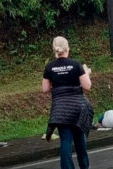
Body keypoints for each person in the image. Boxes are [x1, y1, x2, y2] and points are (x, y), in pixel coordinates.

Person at [42, 36, 93, 169]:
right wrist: (86, 73)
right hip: (77, 108)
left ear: (54, 50)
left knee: (65, 141)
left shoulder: (49, 67)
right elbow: (87, 86)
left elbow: (45, 89)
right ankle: (84, 166)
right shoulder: (76, 64)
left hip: (60, 109)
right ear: (67, 49)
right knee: (80, 141)